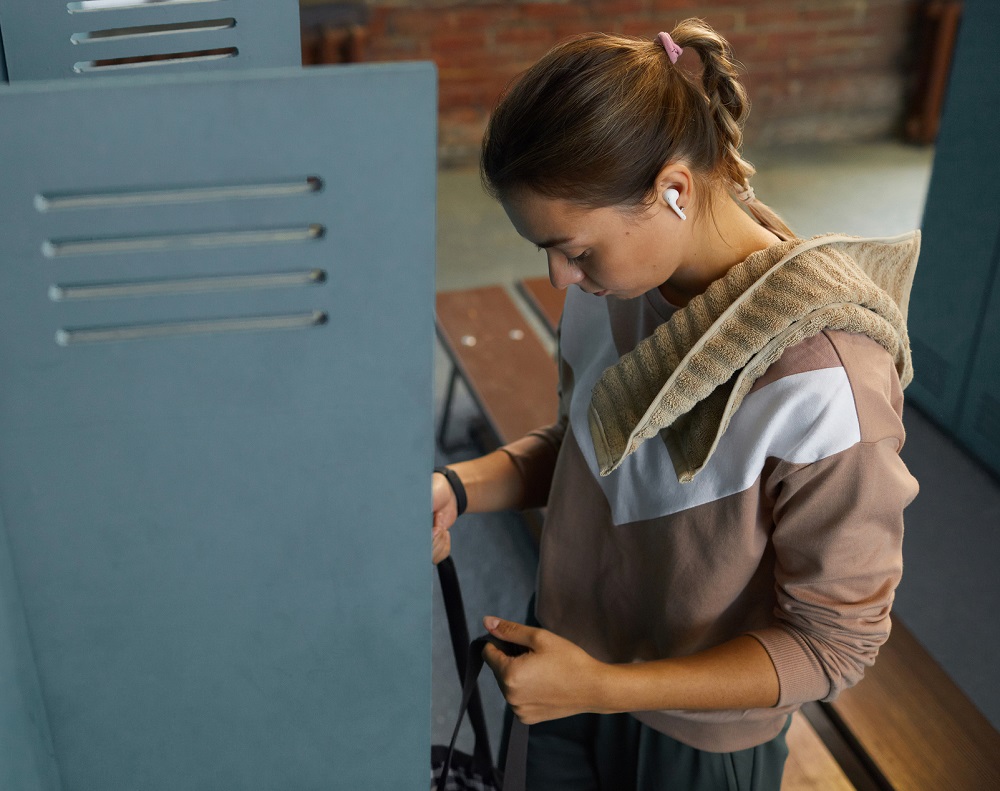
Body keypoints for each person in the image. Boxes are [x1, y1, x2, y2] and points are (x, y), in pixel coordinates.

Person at [431, 18, 920, 790]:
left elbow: (834, 645)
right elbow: (589, 452)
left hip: (691, 742)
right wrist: (459, 487)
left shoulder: (825, 377)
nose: (561, 277)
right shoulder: (611, 288)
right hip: (564, 668)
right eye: (545, 250)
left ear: (674, 189)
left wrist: (605, 686)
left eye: (576, 249)